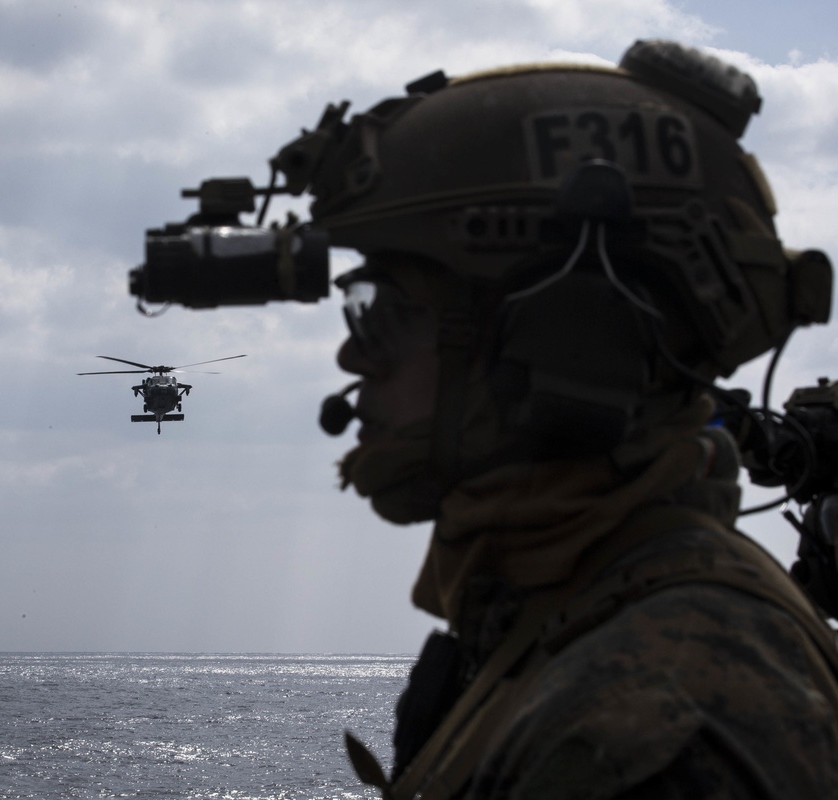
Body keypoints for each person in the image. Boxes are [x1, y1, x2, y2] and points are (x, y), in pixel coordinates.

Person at [296, 40, 838, 798]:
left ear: (558, 331)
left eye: (384, 315)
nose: (354, 361)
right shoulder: (568, 622)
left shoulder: (657, 712)